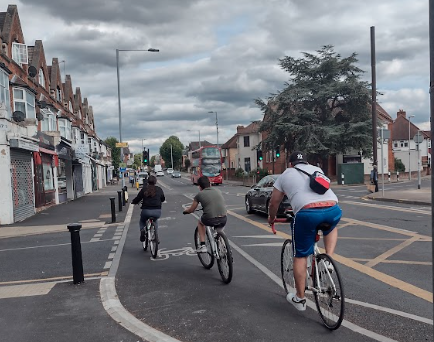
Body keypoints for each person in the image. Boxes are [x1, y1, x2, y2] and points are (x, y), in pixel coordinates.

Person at [267, 151, 342, 312]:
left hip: (307, 214)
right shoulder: (316, 169)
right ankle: (328, 258)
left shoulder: (286, 174)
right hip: (333, 208)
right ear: (307, 163)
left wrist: (271, 218)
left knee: (300, 255)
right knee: (330, 226)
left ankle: (300, 299)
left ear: (290, 164)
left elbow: (274, 202)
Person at [182, 176, 227, 253]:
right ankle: (223, 246)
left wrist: (185, 211)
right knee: (219, 229)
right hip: (223, 218)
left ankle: (203, 245)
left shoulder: (199, 195)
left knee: (200, 222)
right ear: (210, 184)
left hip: (209, 219)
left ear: (199, 186)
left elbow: (192, 209)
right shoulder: (218, 190)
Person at [131, 175, 165, 242]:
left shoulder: (144, 189)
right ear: (155, 181)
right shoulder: (159, 189)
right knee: (155, 220)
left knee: (142, 221)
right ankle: (156, 236)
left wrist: (133, 202)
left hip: (146, 211)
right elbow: (163, 199)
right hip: (157, 211)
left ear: (147, 181)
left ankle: (142, 230)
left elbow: (138, 198)